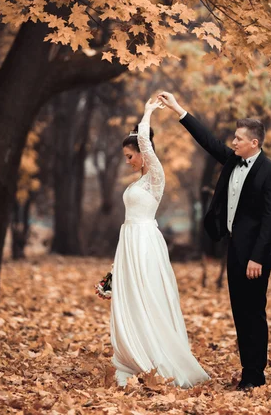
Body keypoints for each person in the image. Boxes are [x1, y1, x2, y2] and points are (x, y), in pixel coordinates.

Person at [158, 91, 271, 392]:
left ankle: (256, 375)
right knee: (240, 313)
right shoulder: (232, 161)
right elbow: (207, 140)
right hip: (234, 251)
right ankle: (247, 372)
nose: (234, 142)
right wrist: (178, 109)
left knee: (254, 313)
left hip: (255, 257)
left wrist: (257, 257)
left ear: (254, 143)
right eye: (234, 137)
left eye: (239, 138)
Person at [109, 97, 210, 388]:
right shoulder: (136, 183)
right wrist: (114, 271)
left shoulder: (155, 176)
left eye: (130, 156)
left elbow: (144, 140)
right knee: (131, 297)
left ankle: (155, 356)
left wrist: (148, 111)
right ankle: (135, 354)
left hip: (145, 242)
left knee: (148, 295)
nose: (127, 161)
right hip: (128, 242)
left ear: (142, 153)